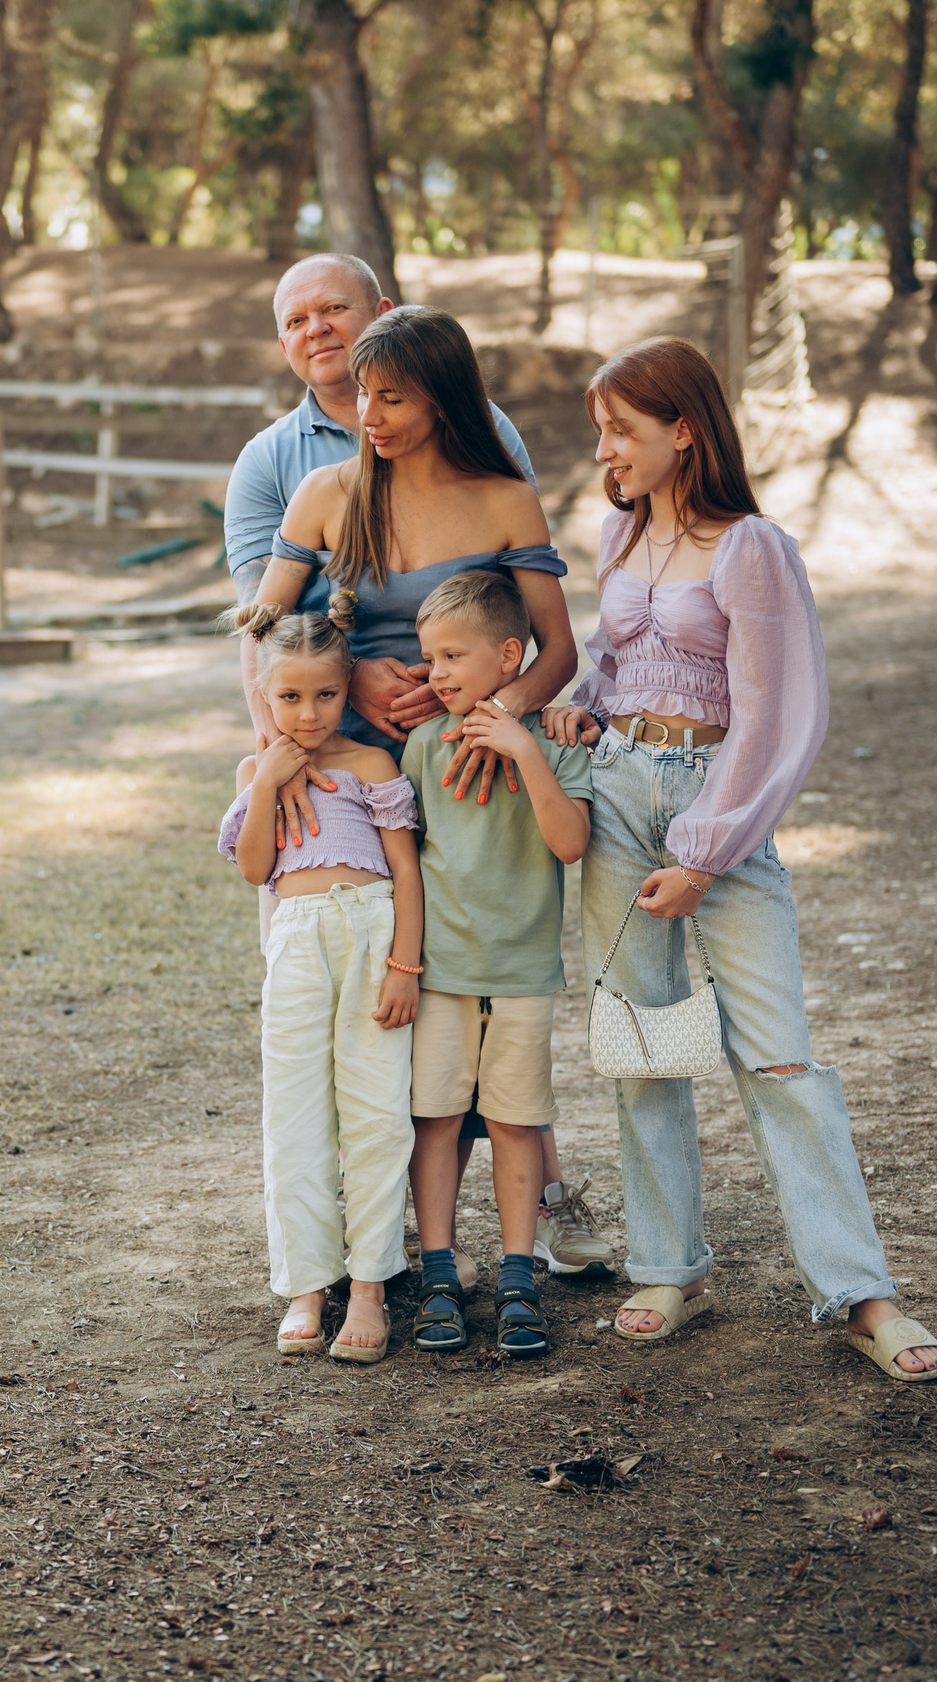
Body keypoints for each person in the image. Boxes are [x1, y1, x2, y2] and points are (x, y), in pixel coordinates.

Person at [538, 336, 937, 1383]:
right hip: (620, 798)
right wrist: (581, 714)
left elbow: (777, 714)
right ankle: (667, 1267)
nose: (606, 450)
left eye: (622, 431)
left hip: (717, 812)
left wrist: (708, 853)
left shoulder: (751, 547)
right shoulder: (615, 535)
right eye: (600, 431)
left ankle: (859, 1293)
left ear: (684, 429)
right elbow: (617, 665)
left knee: (778, 1055)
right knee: (644, 1047)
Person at [252, 304, 615, 1284]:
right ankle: (372, 1240)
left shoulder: (502, 499)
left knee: (486, 1009)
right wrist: (287, 751)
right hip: (355, 783)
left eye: (391, 397)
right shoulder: (328, 496)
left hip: (470, 782)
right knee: (368, 1017)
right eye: (362, 395)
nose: (366, 413)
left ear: (444, 398)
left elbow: (556, 649)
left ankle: (515, 1218)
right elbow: (266, 638)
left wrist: (490, 718)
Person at [217, 604, 421, 1365]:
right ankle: (307, 1284)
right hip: (297, 944)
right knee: (295, 1117)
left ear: (347, 690)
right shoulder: (255, 770)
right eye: (290, 698)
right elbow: (255, 869)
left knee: (376, 1112)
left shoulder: (370, 765)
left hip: (371, 933)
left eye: (325, 696)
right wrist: (268, 779)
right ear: (264, 696)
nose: (308, 713)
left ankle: (368, 1286)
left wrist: (405, 965)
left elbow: (405, 872)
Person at [399, 571, 594, 1357]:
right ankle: (440, 1271)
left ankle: (519, 1274)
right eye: (428, 657)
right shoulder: (420, 747)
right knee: (437, 1120)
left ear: (510, 656)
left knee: (515, 1122)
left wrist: (525, 749)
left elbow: (571, 843)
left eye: (453, 655)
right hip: (441, 975)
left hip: (521, 976)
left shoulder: (552, 739)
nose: (435, 673)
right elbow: (405, 862)